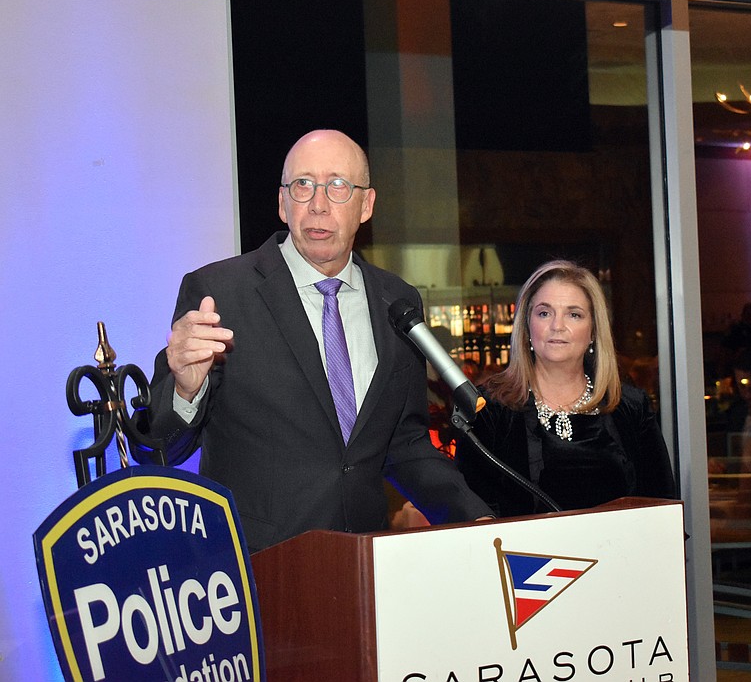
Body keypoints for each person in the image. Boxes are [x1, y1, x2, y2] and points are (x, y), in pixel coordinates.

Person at [132, 129, 491, 551]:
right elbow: (158, 450)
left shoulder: (398, 301)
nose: (318, 204)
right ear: (283, 203)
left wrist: (476, 518)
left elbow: (405, 444)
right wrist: (185, 390)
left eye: (338, 186)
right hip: (257, 572)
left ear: (366, 205)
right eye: (303, 185)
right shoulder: (220, 293)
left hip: (362, 565)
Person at [454, 260, 675, 517]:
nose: (557, 326)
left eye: (574, 314)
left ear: (593, 330)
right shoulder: (489, 408)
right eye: (544, 313)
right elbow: (474, 516)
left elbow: (661, 510)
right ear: (527, 326)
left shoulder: (630, 406)